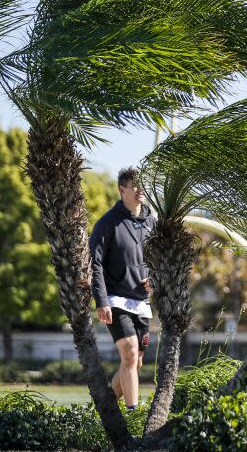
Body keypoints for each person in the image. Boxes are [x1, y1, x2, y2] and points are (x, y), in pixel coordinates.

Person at [90, 166, 156, 410]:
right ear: (122, 189)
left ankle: (104, 411)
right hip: (115, 298)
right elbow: (94, 264)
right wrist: (102, 300)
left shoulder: (151, 221)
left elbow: (160, 258)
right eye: (135, 185)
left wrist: (155, 280)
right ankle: (133, 413)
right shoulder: (107, 223)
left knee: (135, 363)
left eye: (143, 185)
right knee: (129, 354)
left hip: (141, 301)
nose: (141, 190)